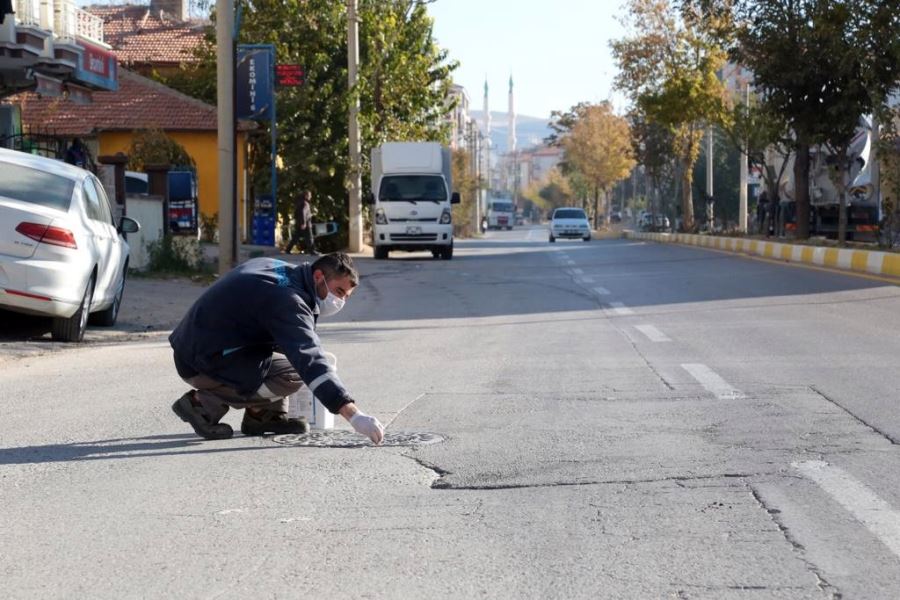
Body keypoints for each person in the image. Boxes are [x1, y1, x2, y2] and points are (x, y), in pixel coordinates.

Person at [168, 252, 384, 444]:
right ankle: (202, 404)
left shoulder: (277, 269)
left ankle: (262, 414)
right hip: (201, 361)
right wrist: (353, 414)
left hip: (196, 346)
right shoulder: (289, 300)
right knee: (294, 373)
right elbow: (309, 358)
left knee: (287, 347)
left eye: (346, 296)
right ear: (318, 276)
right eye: (338, 291)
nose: (340, 301)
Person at [284, 190, 318, 255]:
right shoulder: (305, 204)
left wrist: (299, 222)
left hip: (299, 224)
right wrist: (304, 223)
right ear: (306, 196)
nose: (310, 197)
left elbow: (297, 214)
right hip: (305, 224)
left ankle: (288, 249)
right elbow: (303, 213)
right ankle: (312, 251)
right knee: (309, 237)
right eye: (309, 195)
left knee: (295, 238)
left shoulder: (299, 203)